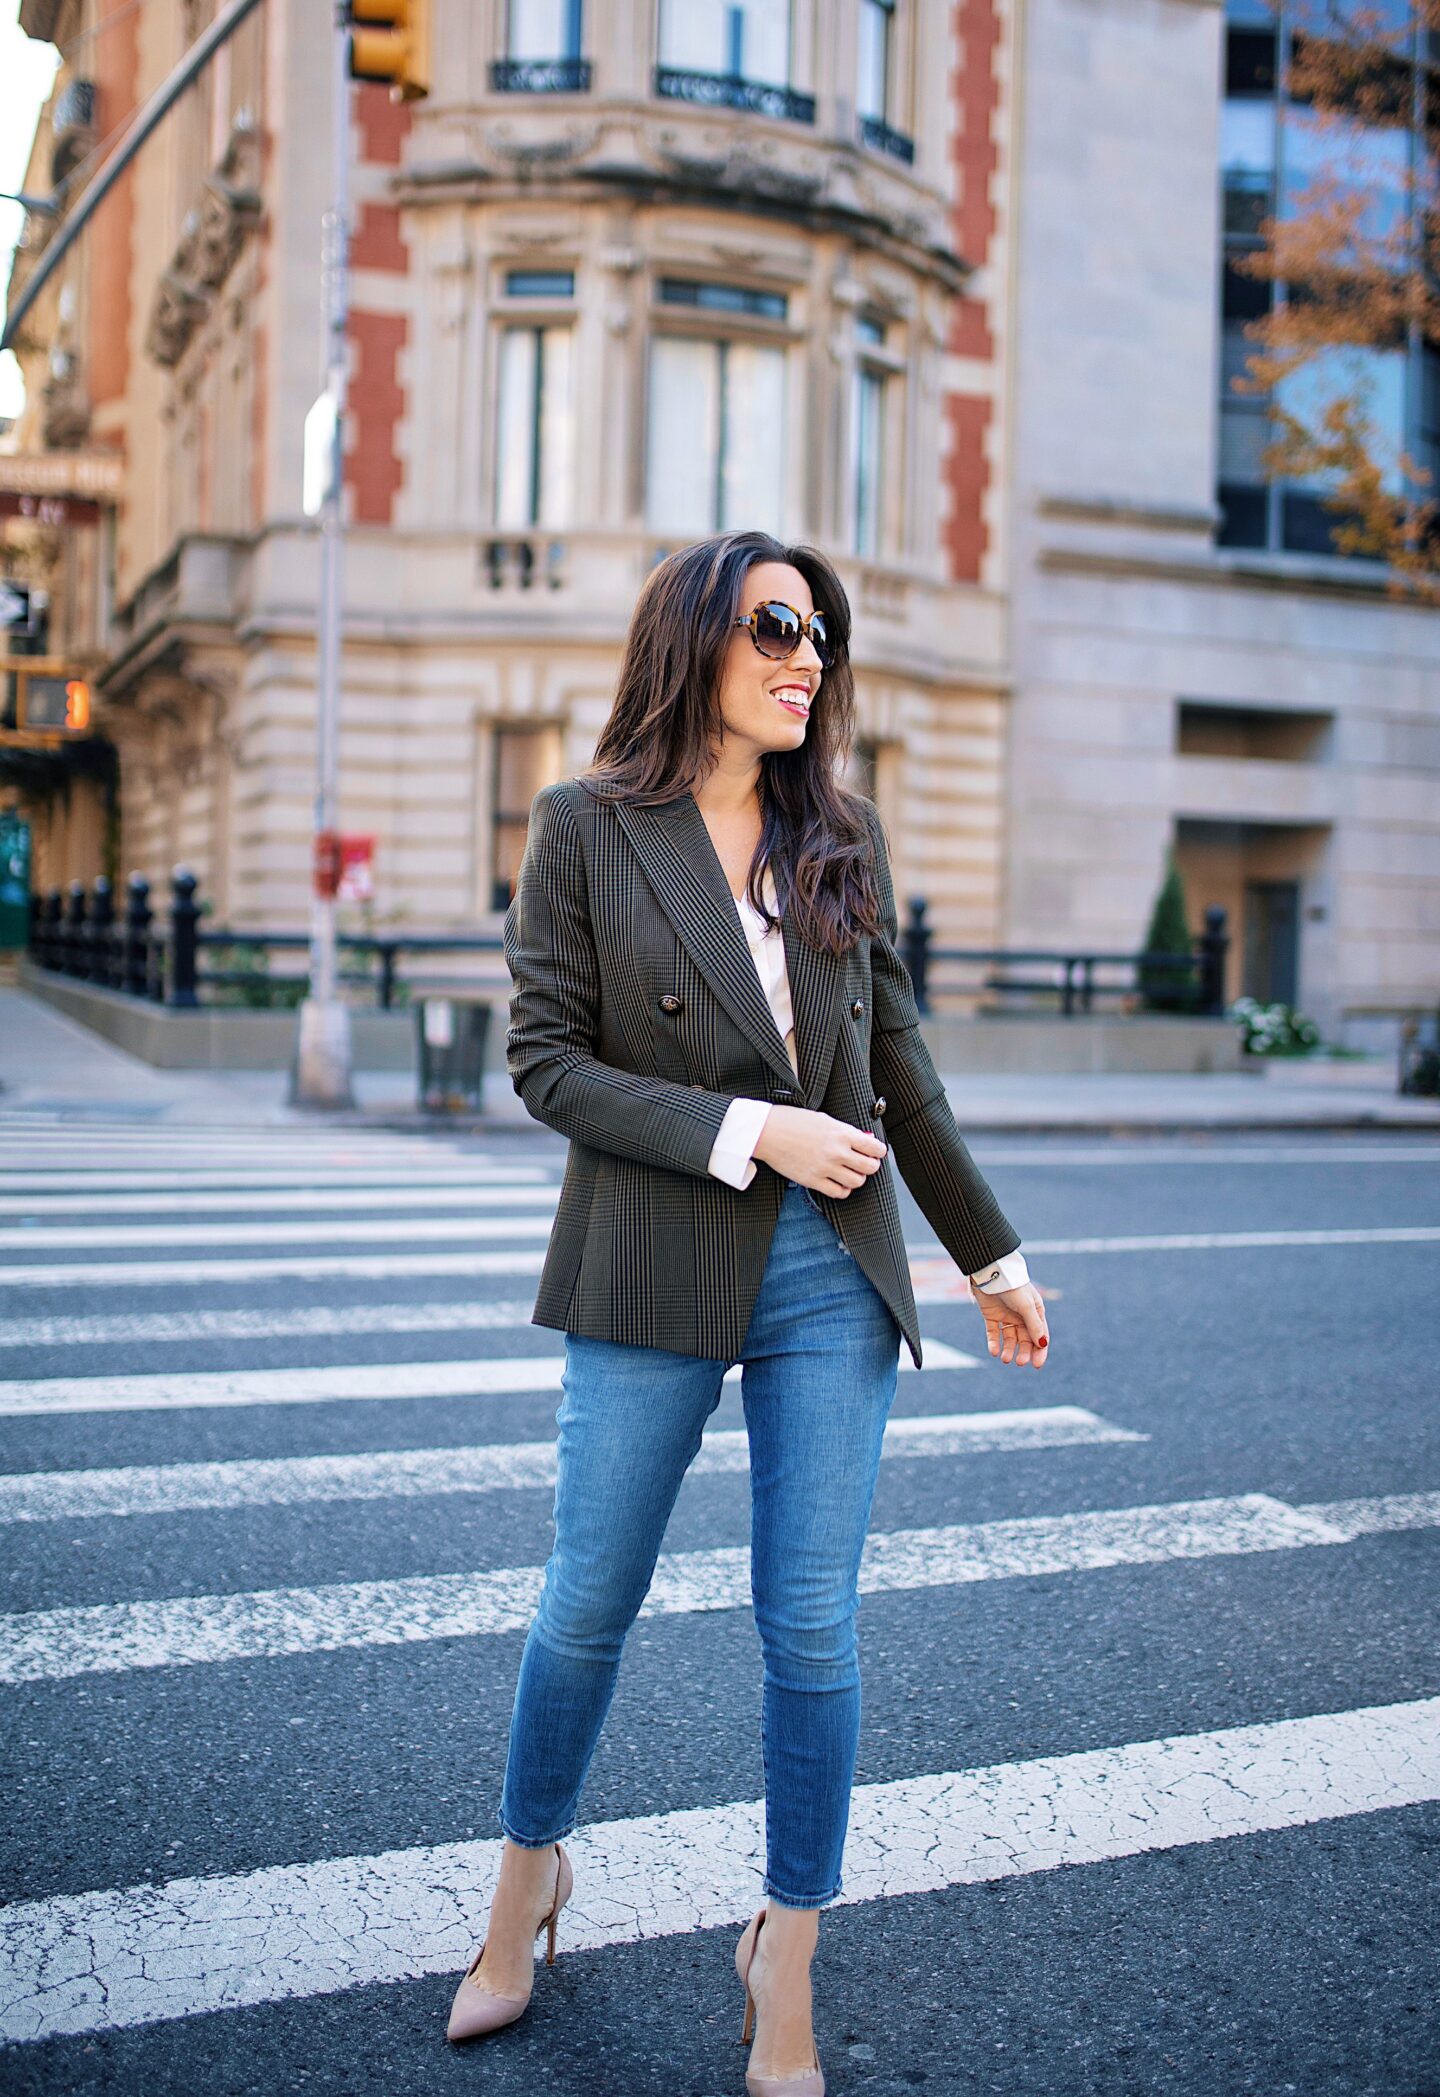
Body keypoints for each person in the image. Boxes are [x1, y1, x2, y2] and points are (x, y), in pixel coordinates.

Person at [447, 530, 1051, 2090]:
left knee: (811, 1627)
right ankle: (526, 1886)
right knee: (588, 1597)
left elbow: (901, 1067)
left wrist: (991, 1257)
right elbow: (547, 1061)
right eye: (778, 625)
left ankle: (786, 1946)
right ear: (694, 639)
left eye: (820, 634)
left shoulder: (838, 831)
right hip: (653, 1249)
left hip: (826, 1274)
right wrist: (750, 1130)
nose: (809, 657)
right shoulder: (586, 825)